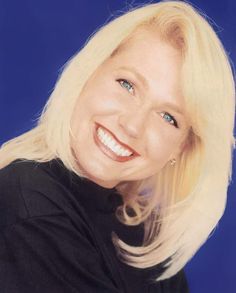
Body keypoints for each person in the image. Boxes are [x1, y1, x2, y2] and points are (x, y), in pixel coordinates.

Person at [0, 1, 235, 292]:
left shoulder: (146, 238)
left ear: (181, 148)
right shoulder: (32, 204)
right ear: (89, 71)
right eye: (127, 85)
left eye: (168, 117)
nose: (133, 125)